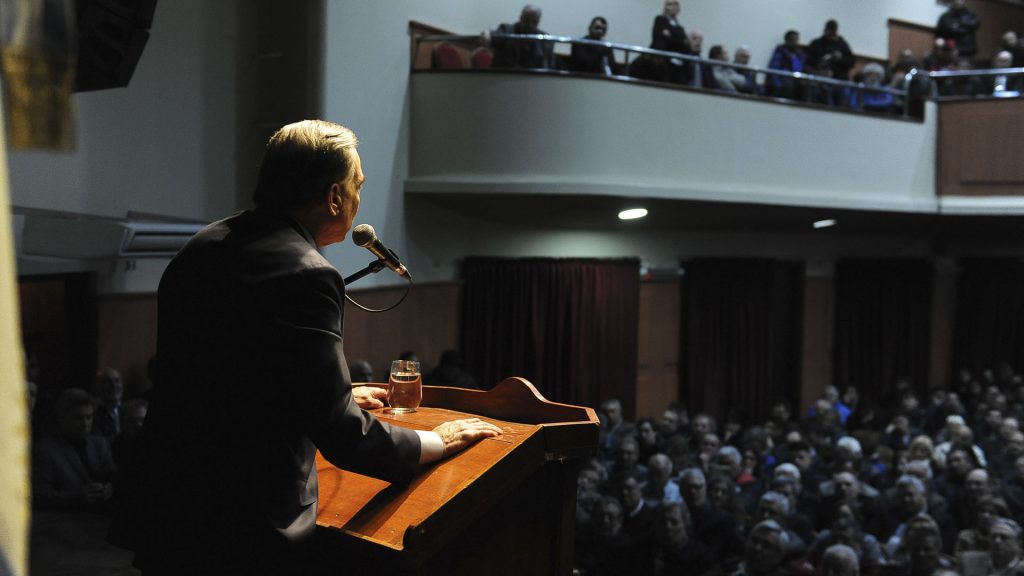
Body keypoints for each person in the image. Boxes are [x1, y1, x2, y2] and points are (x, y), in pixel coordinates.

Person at [121, 120, 501, 574]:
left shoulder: (203, 245)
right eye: (356, 184)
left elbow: (227, 377)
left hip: (171, 511)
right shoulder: (308, 275)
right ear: (334, 196)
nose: (360, 198)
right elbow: (342, 435)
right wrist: (433, 441)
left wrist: (322, 396)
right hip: (244, 531)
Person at [32, 388, 117, 511]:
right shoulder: (44, 450)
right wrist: (78, 497)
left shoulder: (100, 443)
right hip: (67, 519)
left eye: (89, 417)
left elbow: (113, 474)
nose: (85, 423)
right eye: (78, 418)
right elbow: (40, 496)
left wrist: (111, 487)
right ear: (61, 417)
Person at [490, 4, 553, 70]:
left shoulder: (545, 40)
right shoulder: (507, 30)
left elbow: (548, 68)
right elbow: (492, 36)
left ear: (538, 22)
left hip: (532, 78)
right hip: (505, 76)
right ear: (520, 18)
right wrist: (487, 33)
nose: (530, 25)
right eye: (527, 20)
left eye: (534, 22)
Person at [648, 0, 691, 84]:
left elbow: (685, 44)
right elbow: (660, 37)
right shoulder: (660, 20)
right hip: (663, 62)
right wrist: (679, 41)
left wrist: (671, 36)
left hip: (678, 63)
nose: (672, 6)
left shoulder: (680, 27)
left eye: (675, 4)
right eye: (669, 4)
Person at [767, 30, 807, 99]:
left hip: (797, 81)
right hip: (784, 81)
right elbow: (774, 70)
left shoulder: (800, 54)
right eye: (792, 40)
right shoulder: (780, 52)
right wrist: (778, 86)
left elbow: (801, 68)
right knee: (789, 85)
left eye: (796, 40)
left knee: (806, 86)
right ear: (786, 41)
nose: (794, 42)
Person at [92, 367, 124, 437]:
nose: (114, 385)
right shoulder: (92, 413)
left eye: (117, 381)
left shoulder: (129, 410)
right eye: (107, 382)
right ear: (97, 386)